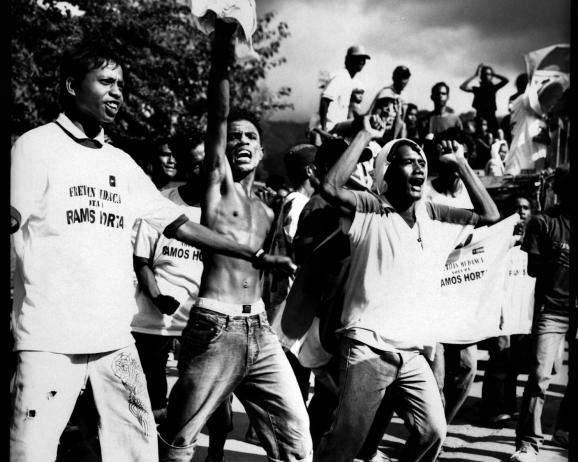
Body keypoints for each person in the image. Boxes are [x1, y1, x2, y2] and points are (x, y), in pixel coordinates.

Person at [9, 43, 293, 462]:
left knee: (139, 451)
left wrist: (251, 254)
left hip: (114, 341)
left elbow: (180, 223)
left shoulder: (121, 163)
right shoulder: (36, 146)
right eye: (106, 81)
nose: (117, 92)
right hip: (49, 339)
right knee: (32, 451)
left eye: (121, 84)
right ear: (72, 86)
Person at [157, 21, 312, 462]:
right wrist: (221, 62)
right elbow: (218, 117)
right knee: (180, 442)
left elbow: (274, 278)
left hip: (260, 331)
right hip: (215, 326)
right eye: (237, 137)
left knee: (296, 440)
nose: (242, 141)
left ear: (262, 153)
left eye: (252, 138)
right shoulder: (216, 186)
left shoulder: (267, 211)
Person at [313, 114, 500, 462]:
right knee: (346, 440)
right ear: (386, 171)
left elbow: (490, 216)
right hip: (368, 346)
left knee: (433, 431)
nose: (418, 170)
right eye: (407, 162)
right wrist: (366, 133)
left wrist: (460, 163)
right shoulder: (370, 208)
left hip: (412, 354)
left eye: (422, 164)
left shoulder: (433, 213)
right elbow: (330, 187)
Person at [131, 139, 234, 462]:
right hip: (154, 322)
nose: (199, 167)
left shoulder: (224, 213)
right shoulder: (161, 204)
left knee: (216, 402)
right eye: (193, 160)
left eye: (206, 161)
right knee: (153, 405)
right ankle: (154, 453)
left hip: (204, 321)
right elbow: (141, 261)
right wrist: (158, 297)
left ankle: (214, 455)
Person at [509, 164, 570, 462]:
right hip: (552, 311)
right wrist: (553, 258)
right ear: (561, 190)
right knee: (538, 376)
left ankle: (565, 431)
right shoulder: (543, 223)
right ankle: (527, 444)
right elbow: (533, 268)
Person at [264, 143, 319, 402]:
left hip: (284, 299)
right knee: (293, 369)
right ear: (310, 170)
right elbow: (299, 253)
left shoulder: (291, 201)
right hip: (290, 301)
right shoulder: (299, 204)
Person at [481, 195, 534, 427]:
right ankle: (492, 409)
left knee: (515, 361)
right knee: (499, 358)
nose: (521, 212)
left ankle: (509, 406)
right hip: (501, 308)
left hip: (524, 309)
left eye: (526, 208)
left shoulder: (536, 237)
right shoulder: (498, 237)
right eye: (517, 207)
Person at [504, 74, 568, 175]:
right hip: (521, 161)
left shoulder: (539, 116)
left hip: (535, 160)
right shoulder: (524, 101)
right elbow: (533, 99)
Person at [309, 45, 371, 145]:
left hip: (337, 127)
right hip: (331, 127)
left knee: (365, 121)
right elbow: (325, 100)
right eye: (358, 59)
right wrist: (324, 130)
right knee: (363, 122)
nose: (362, 62)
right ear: (348, 60)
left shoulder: (348, 79)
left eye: (364, 59)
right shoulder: (341, 76)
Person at [419, 82, 464, 176]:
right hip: (431, 168)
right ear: (432, 96)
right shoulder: (424, 121)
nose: (440, 96)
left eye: (443, 93)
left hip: (451, 168)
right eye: (437, 93)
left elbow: (462, 144)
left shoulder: (455, 120)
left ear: (448, 97)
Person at [460, 64, 509, 136]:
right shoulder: (477, 89)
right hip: (480, 119)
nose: (487, 75)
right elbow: (463, 87)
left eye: (489, 74)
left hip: (491, 119)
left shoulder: (493, 88)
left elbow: (506, 80)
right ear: (481, 76)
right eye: (485, 74)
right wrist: (475, 75)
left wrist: (494, 74)